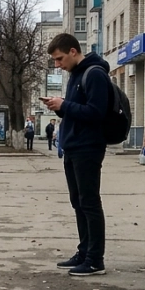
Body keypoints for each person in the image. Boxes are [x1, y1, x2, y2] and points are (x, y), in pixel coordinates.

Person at [41, 33, 110, 277]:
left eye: (59, 59)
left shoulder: (95, 74)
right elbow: (77, 112)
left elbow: (96, 112)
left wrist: (65, 105)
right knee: (78, 202)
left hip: (88, 147)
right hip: (73, 147)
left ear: (73, 51)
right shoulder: (76, 76)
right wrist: (59, 107)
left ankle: (94, 259)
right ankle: (84, 251)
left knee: (89, 203)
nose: (58, 65)